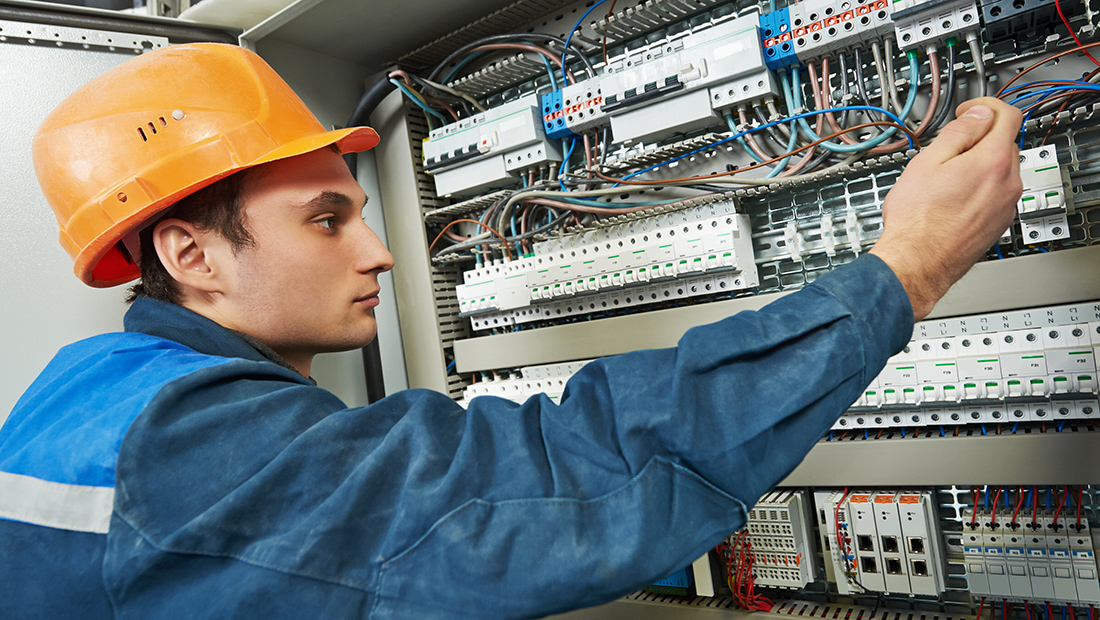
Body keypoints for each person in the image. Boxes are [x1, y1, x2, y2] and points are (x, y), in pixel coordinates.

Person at [0, 43, 1021, 619]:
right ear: (191, 254)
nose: (382, 252)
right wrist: (909, 265)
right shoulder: (190, 440)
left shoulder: (81, 388)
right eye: (325, 218)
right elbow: (574, 472)